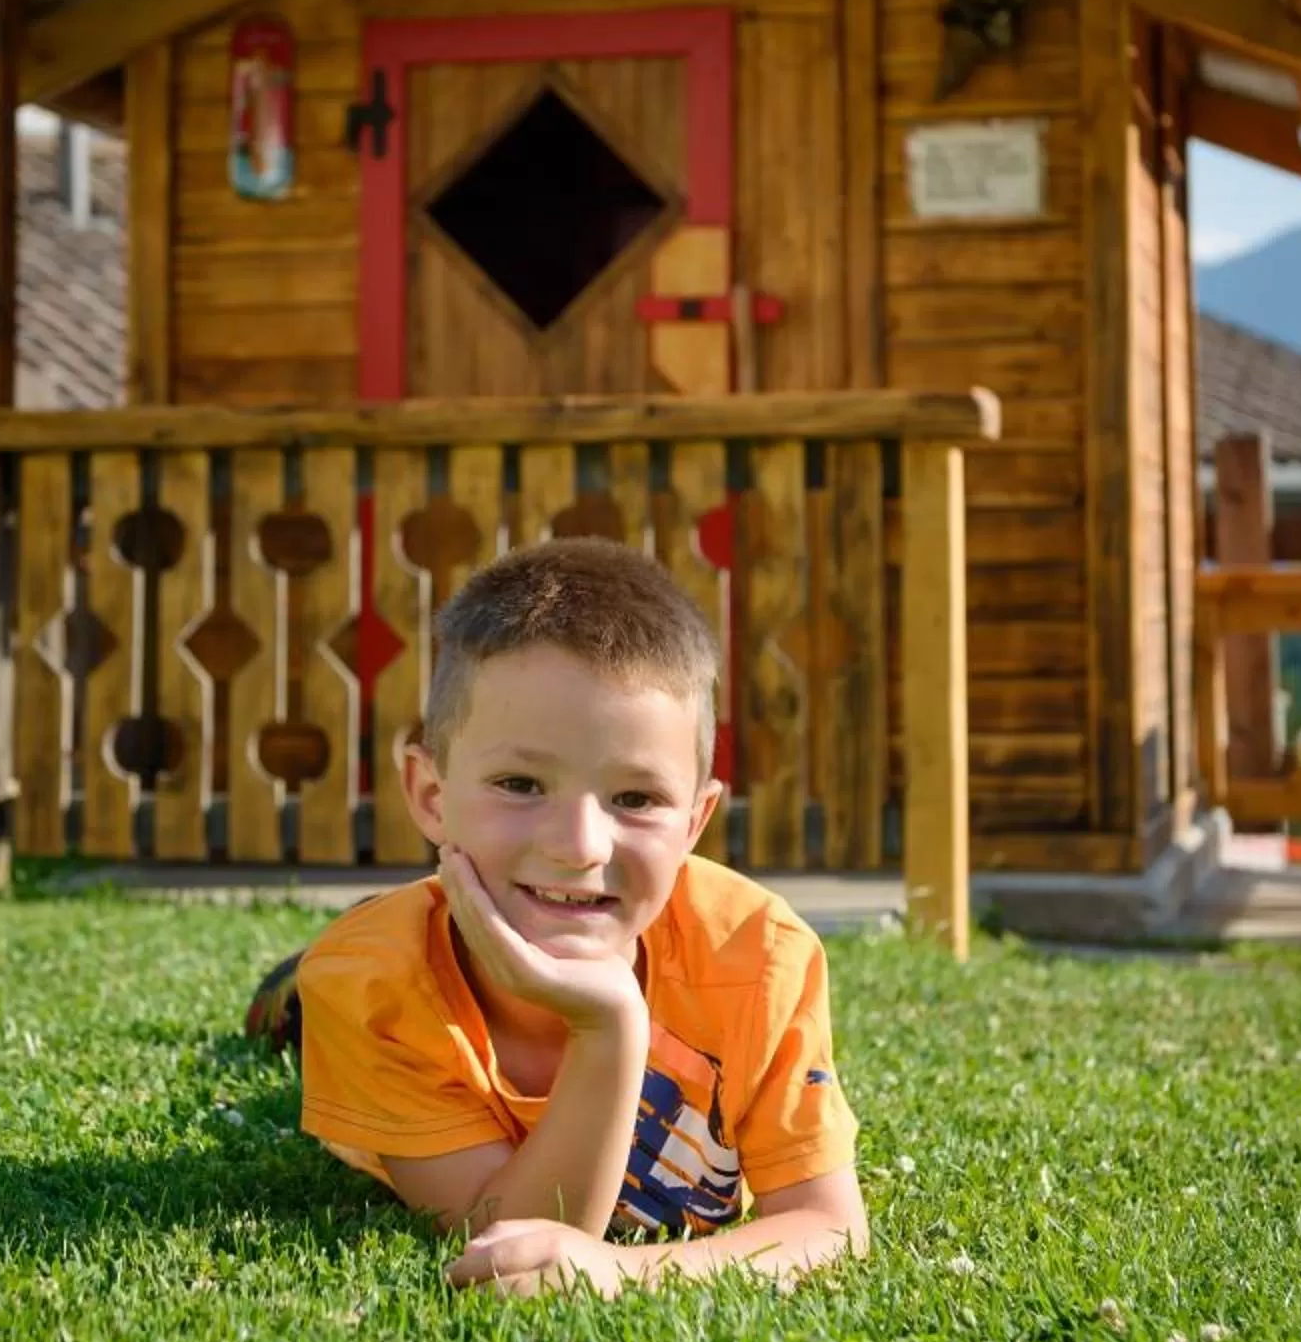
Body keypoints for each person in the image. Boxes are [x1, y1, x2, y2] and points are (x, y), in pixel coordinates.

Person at [243, 535, 869, 1297]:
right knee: (309, 1002)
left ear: (696, 824)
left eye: (635, 799)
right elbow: (502, 1239)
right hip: (363, 989)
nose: (579, 846)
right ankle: (287, 997)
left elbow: (827, 1226)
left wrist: (626, 1273)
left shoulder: (760, 956)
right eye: (520, 784)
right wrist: (610, 1026)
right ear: (432, 798)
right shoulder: (373, 982)